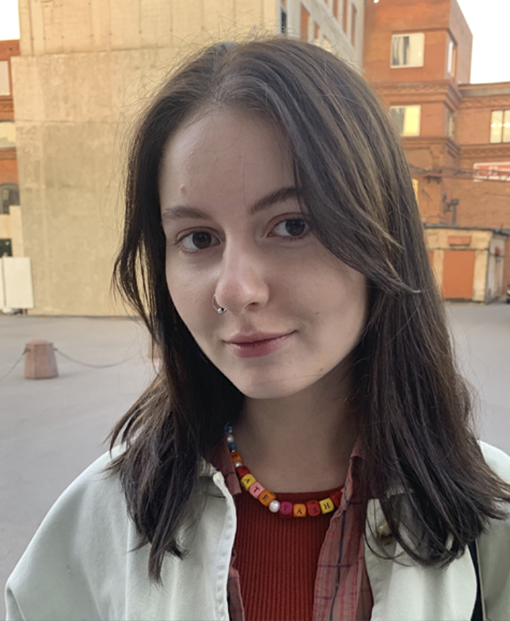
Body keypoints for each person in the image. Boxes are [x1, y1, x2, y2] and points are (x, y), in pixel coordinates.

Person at [5, 39, 510, 621]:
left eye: (292, 225)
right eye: (198, 238)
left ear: (384, 236)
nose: (235, 289)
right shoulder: (99, 520)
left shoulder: (489, 521)